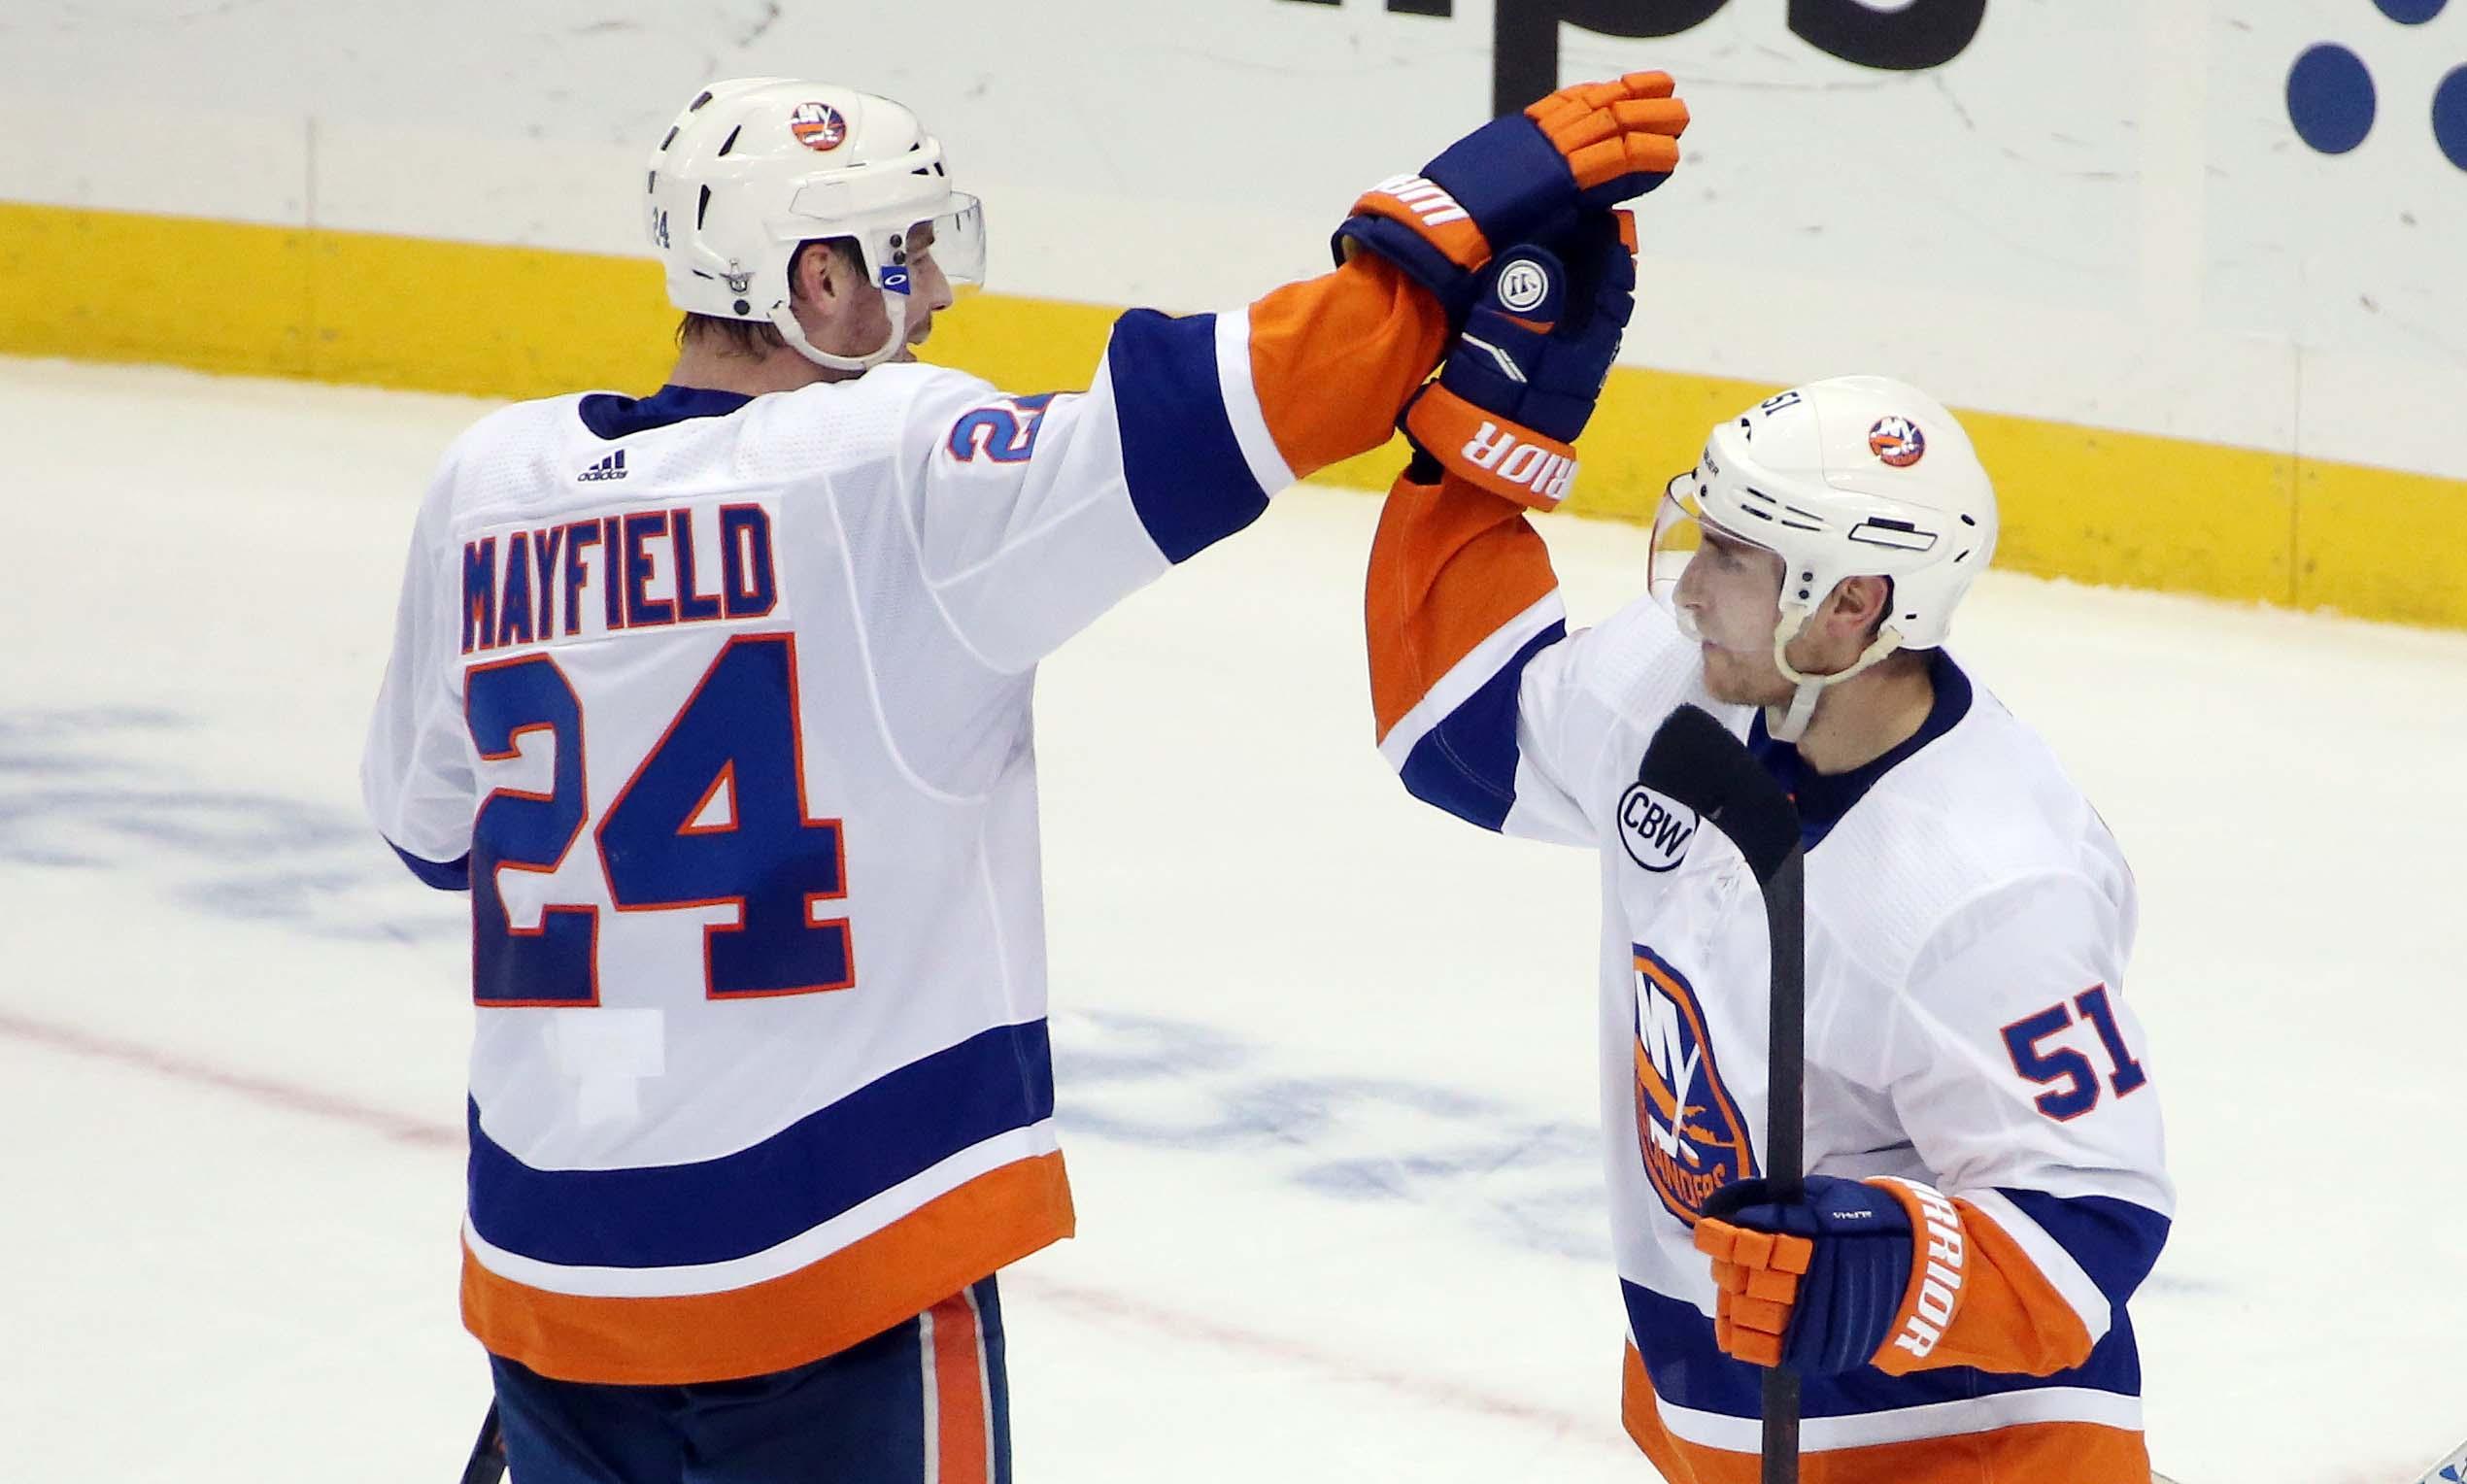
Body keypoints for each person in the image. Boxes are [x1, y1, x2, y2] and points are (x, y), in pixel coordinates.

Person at [360, 72, 1689, 1484]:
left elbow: (433, 831)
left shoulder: (486, 481)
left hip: (555, 1268)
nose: (934, 294)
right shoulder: (890, 460)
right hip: (832, 1247)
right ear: (818, 277)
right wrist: (1446, 232)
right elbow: (1248, 407)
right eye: (905, 254)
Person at [1363, 217, 2174, 1480]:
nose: (1687, 590)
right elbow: (1459, 735)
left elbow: (2094, 1219)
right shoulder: (1683, 683)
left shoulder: (1996, 881)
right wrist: (1491, 429)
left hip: (1966, 1445)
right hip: (1718, 1408)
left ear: (1849, 605)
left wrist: (1885, 1261)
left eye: (1732, 559)